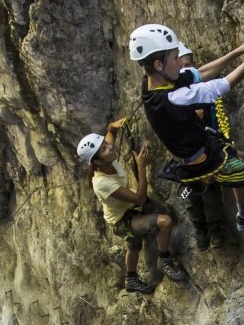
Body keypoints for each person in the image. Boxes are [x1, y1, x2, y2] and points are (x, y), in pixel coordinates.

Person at [132, 23, 244, 247]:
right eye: (175, 58)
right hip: (204, 162)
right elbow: (222, 85)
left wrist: (240, 50)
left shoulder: (152, 83)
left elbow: (200, 73)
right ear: (158, 64)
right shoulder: (172, 98)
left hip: (204, 148)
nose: (181, 62)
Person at [78, 122, 188, 294]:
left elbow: (111, 132)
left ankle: (130, 279)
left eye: (106, 145)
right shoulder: (101, 183)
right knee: (165, 222)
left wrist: (115, 126)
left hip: (127, 210)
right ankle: (164, 261)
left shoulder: (106, 157)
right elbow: (140, 198)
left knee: (134, 246)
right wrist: (141, 165)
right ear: (97, 161)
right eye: (104, 149)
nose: (110, 148)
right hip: (122, 220)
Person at [177, 38, 244, 250]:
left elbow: (207, 72)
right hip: (201, 156)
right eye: (181, 65)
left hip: (214, 146)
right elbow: (222, 83)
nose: (185, 70)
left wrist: (241, 50)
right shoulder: (181, 97)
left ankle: (243, 214)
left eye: (188, 65)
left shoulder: (192, 85)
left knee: (240, 169)